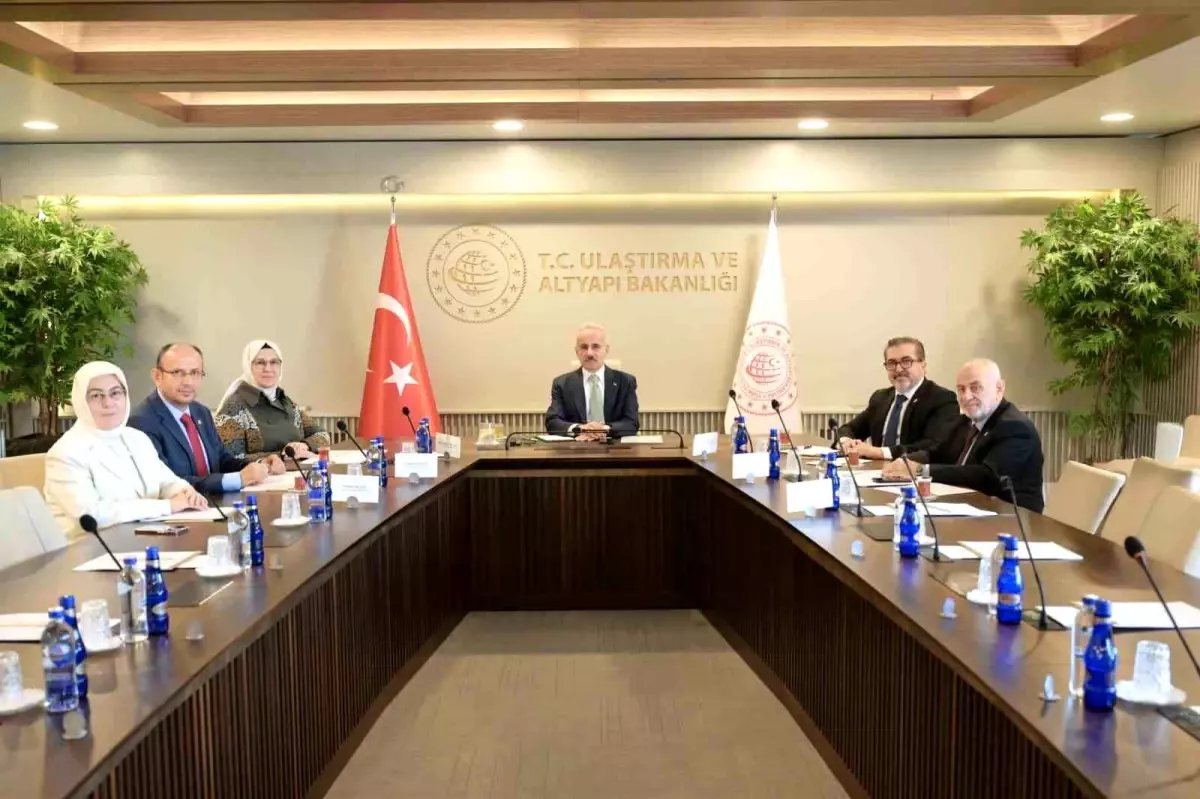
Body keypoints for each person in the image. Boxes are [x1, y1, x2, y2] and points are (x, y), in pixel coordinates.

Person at [44, 361, 208, 539]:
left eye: (115, 393)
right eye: (96, 396)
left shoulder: (136, 438)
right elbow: (92, 514)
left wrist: (185, 492)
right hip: (92, 548)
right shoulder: (66, 452)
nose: (108, 403)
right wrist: (168, 506)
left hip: (145, 538)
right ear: (81, 401)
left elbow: (166, 481)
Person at [882, 358, 1045, 512]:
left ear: (999, 389)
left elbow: (988, 477)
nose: (966, 397)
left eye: (975, 388)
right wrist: (904, 462)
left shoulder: (1015, 427)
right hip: (965, 507)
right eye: (961, 389)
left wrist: (919, 470)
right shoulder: (964, 422)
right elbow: (936, 453)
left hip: (1009, 517)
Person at [129, 343, 284, 495]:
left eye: (195, 372)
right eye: (177, 373)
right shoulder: (142, 422)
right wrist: (238, 479)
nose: (188, 382)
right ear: (157, 376)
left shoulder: (200, 412)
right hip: (183, 509)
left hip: (218, 504)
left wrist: (260, 465)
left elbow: (222, 461)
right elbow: (166, 484)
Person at [837, 337, 958, 460]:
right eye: (892, 363)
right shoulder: (880, 398)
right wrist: (847, 442)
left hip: (912, 470)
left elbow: (933, 446)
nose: (898, 369)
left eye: (906, 361)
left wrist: (879, 452)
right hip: (874, 469)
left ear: (923, 365)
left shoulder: (941, 399)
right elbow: (849, 429)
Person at [215, 339, 331, 461]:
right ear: (248, 366)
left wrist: (304, 445)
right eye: (260, 363)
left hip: (298, 470)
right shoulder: (233, 407)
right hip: (266, 474)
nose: (268, 368)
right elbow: (230, 459)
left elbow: (323, 435)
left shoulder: (284, 401)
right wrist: (283, 455)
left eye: (274, 362)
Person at [545, 323, 639, 441]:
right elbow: (553, 422)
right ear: (577, 351)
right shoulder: (562, 384)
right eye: (584, 347)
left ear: (606, 350)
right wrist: (580, 429)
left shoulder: (626, 382)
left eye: (595, 346)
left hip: (614, 447)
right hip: (576, 446)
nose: (589, 353)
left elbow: (632, 423)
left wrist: (603, 429)